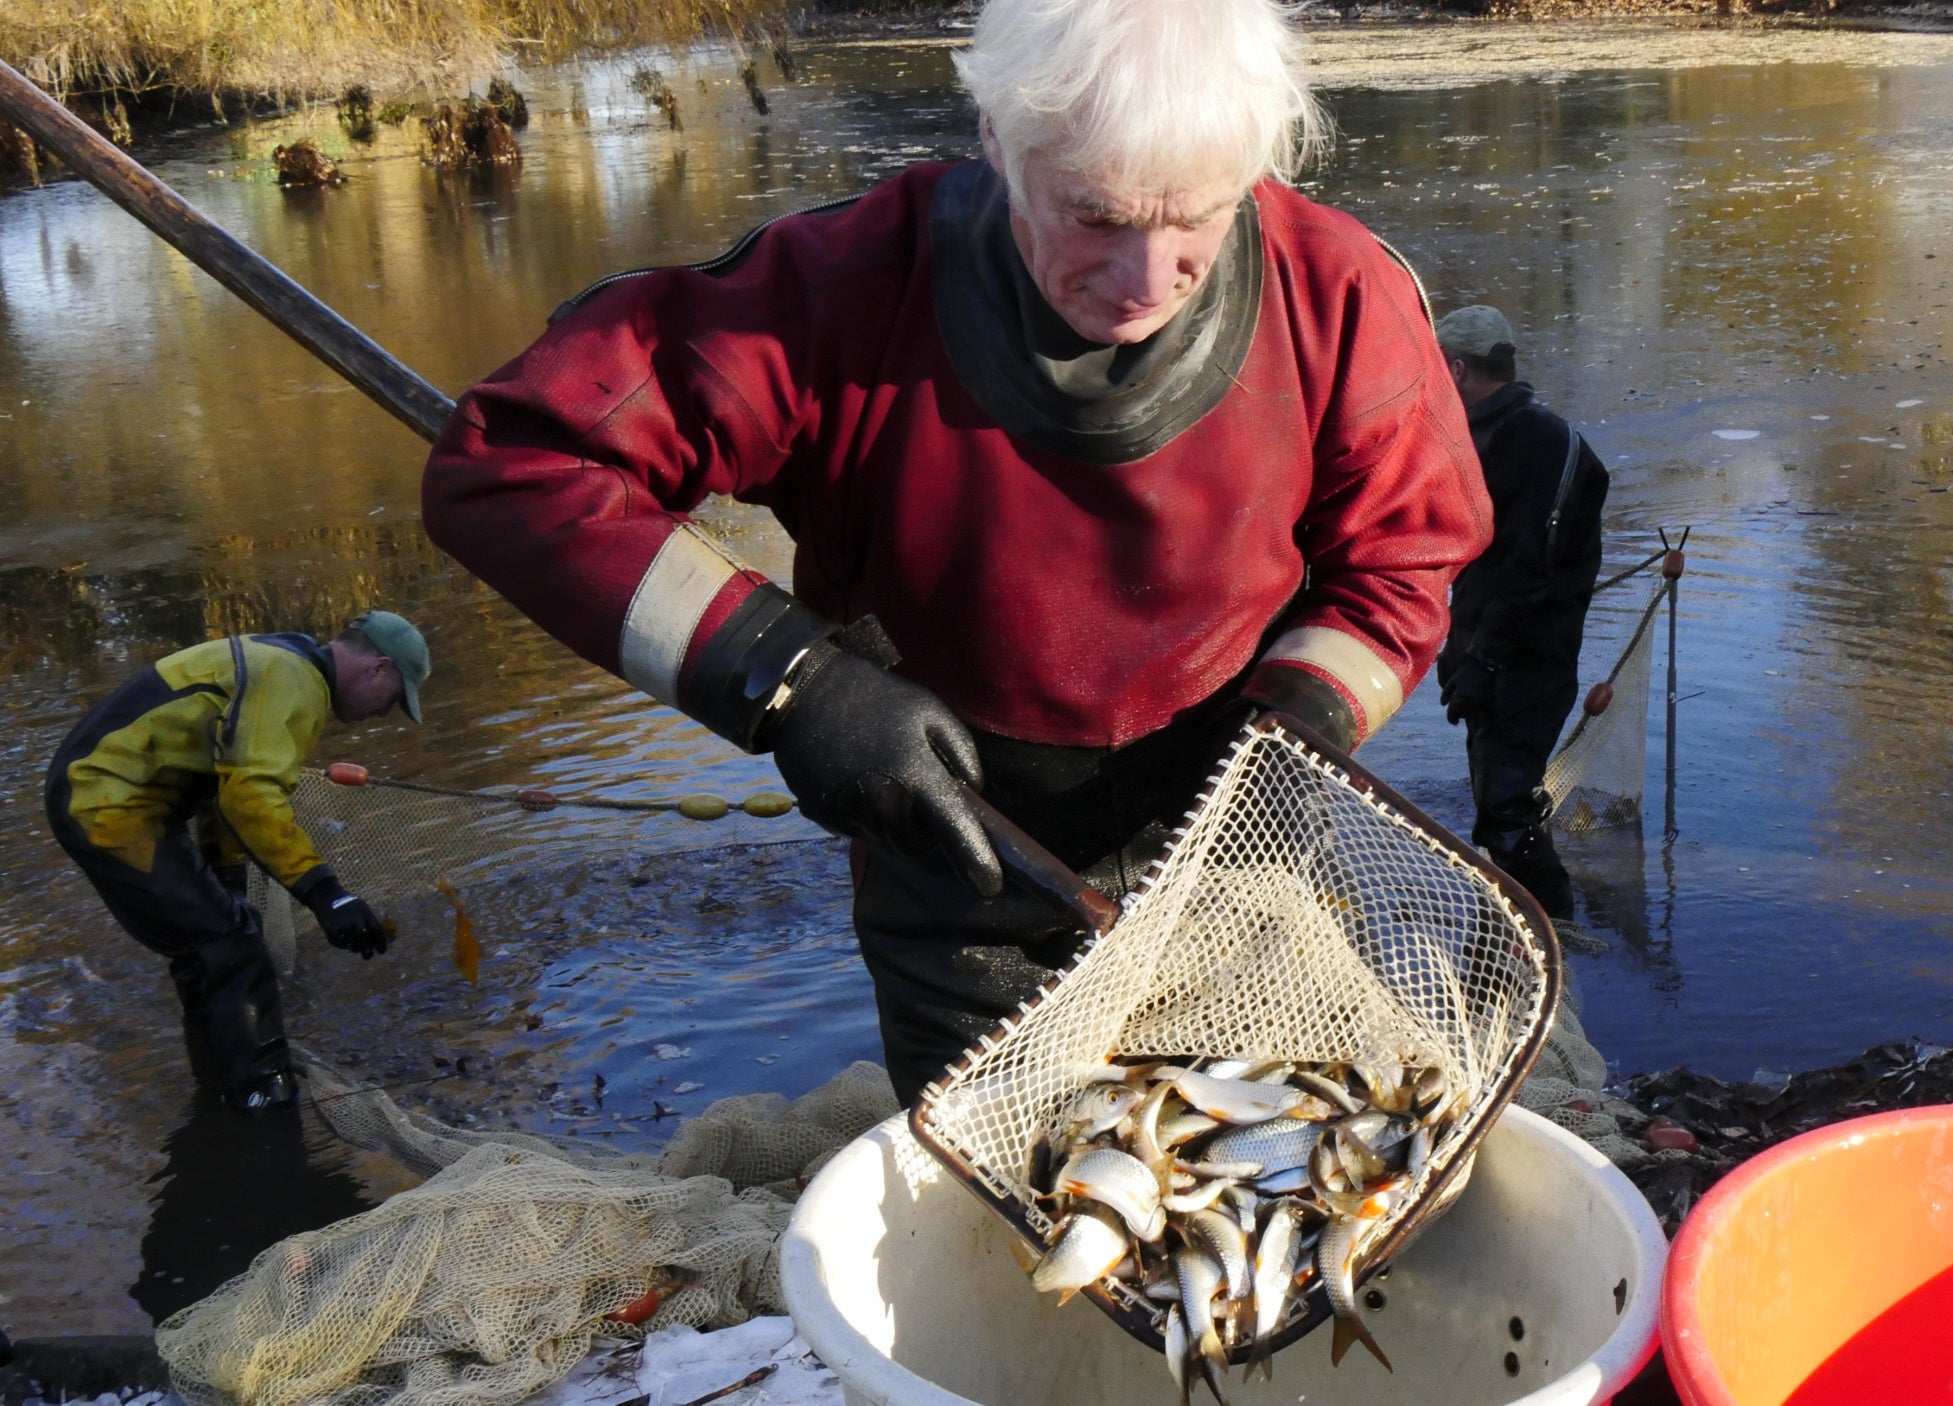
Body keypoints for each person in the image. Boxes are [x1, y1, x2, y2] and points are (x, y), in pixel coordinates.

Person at [423, 0, 1491, 1102]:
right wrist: (787, 680)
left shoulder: (1339, 291)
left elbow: (1407, 555)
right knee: (1017, 1204)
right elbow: (513, 465)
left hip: (1239, 842)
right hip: (948, 834)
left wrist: (1301, 721)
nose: (1143, 279)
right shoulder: (838, 294)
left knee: (1247, 1172)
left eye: (1197, 223)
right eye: (1095, 216)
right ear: (997, 140)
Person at [46, 612, 430, 1111]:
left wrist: (226, 876)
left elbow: (223, 783)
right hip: (105, 803)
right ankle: (262, 1098)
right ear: (378, 668)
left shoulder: (287, 661)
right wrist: (326, 893)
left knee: (211, 942)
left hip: (108, 795)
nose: (387, 713)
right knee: (232, 945)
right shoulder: (292, 680)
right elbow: (250, 797)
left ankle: (216, 1080)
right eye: (395, 699)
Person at [1433, 305, 1609, 919]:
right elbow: (1468, 559)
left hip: (1531, 658)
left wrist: (1484, 659)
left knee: (1508, 807)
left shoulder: (1544, 441)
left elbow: (1531, 569)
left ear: (1455, 368)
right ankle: (1510, 931)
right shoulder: (1469, 438)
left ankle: (1551, 932)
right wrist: (1455, 650)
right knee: (1492, 800)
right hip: (1483, 650)